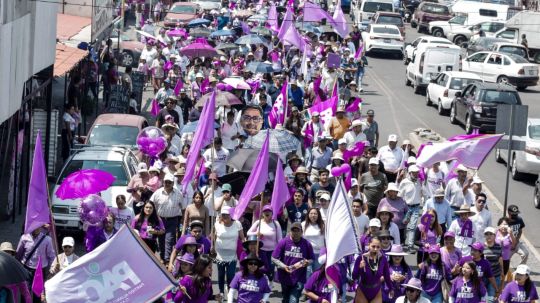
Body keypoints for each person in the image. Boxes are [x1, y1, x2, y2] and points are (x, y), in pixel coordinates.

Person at [272, 222, 315, 303]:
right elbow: (274, 258)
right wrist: (284, 266)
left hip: (299, 278)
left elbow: (312, 259)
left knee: (294, 300)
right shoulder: (283, 242)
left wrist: (307, 262)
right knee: (286, 299)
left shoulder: (306, 244)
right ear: (290, 232)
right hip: (284, 277)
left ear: (301, 232)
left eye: (297, 230)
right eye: (293, 230)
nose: (295, 233)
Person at [150, 173, 183, 263]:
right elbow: (150, 204)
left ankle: (167, 259)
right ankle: (162, 257)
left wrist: (182, 221)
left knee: (169, 239)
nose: (167, 184)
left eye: (169, 182)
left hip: (173, 220)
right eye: (166, 182)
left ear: (173, 183)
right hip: (160, 220)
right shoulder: (157, 193)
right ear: (163, 182)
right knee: (161, 239)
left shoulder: (178, 194)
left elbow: (182, 207)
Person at [212, 206, 245, 296]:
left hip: (232, 256)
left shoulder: (237, 224)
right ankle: (221, 292)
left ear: (231, 215)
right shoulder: (217, 224)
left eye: (227, 214)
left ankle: (230, 292)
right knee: (221, 275)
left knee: (231, 275)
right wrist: (212, 246)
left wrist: (246, 247)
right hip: (220, 256)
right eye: (223, 215)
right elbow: (214, 237)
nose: (225, 216)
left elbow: (242, 238)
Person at [352, 236, 393, 303]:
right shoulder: (361, 258)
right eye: (373, 246)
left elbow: (387, 275)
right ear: (369, 245)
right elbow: (354, 277)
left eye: (378, 247)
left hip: (376, 291)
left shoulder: (383, 259)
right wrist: (360, 268)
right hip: (363, 290)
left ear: (381, 247)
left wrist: (391, 288)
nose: (375, 249)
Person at [400, 165, 423, 252]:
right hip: (406, 207)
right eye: (414, 173)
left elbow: (421, 192)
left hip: (416, 207)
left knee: (412, 227)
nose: (416, 174)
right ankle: (403, 242)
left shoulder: (419, 181)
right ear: (410, 173)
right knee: (404, 225)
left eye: (417, 173)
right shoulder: (404, 182)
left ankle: (410, 245)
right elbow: (400, 195)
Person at [483, 227, 504, 303]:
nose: (489, 236)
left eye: (491, 234)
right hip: (483, 277)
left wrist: (502, 273)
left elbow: (500, 260)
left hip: (495, 276)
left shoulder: (498, 247)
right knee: (482, 297)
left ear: (495, 236)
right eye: (486, 234)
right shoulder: (481, 247)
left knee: (491, 298)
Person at [302, 208, 325, 275]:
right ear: (308, 215)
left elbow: (327, 239)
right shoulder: (303, 224)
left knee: (317, 274)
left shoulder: (323, 225)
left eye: (315, 214)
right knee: (307, 274)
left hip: (319, 253)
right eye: (311, 213)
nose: (313, 215)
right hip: (307, 254)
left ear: (318, 215)